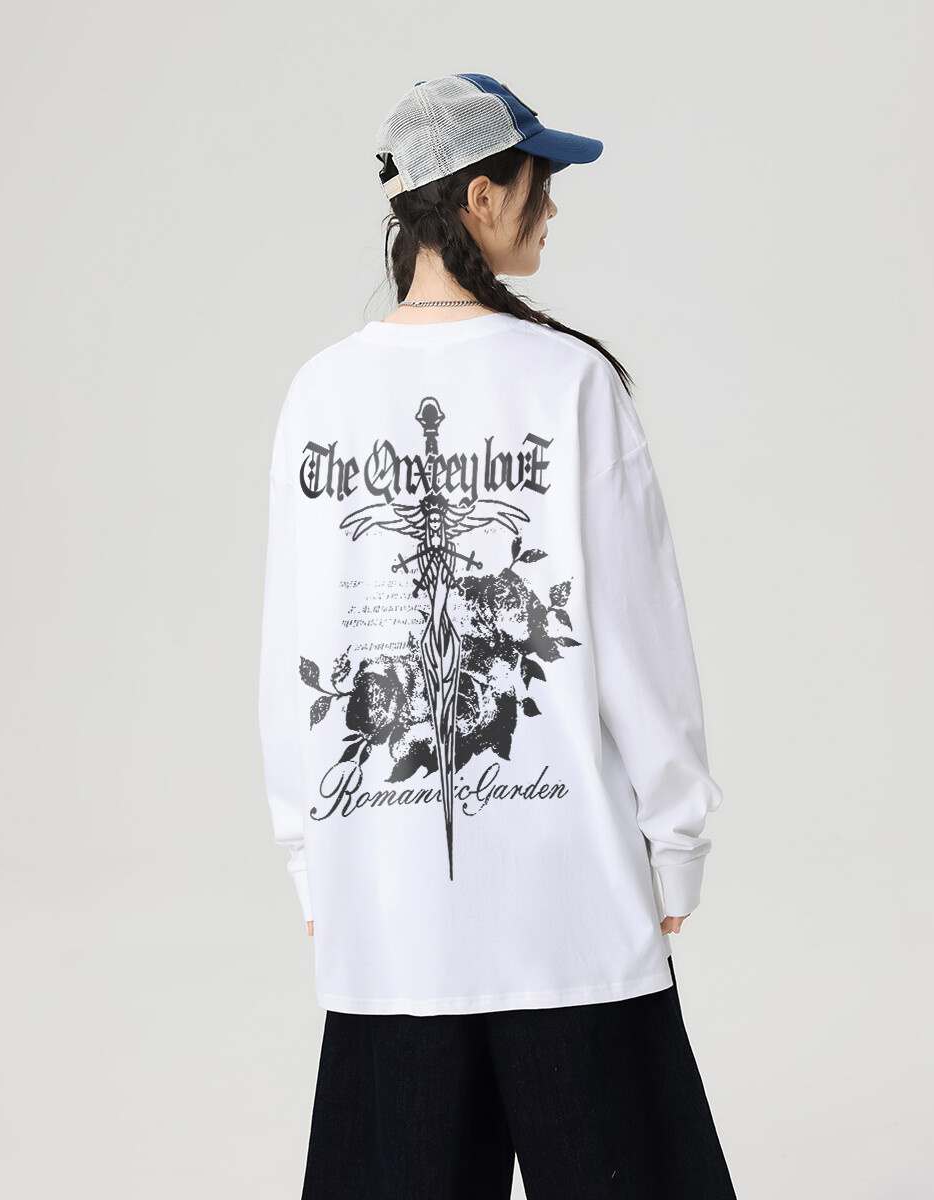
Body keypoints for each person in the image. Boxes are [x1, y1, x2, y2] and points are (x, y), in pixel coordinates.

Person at [258, 73, 738, 1199]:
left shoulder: (321, 394)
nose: (551, 208)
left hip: (386, 904)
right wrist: (676, 834)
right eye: (539, 183)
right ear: (480, 196)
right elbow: (638, 632)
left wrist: (310, 856)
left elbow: (296, 646)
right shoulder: (570, 383)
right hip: (570, 898)